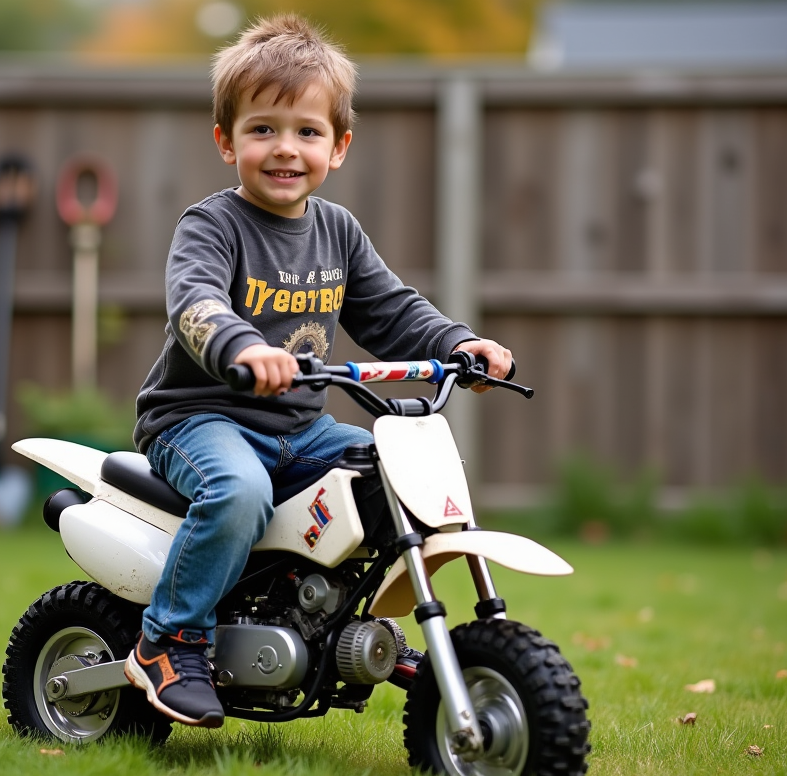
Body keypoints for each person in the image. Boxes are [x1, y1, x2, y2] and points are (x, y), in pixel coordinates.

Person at [123, 14, 513, 728]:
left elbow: (393, 310)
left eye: (307, 132)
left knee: (397, 479)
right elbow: (196, 305)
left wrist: (461, 343)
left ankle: (347, 628)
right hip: (199, 418)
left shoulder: (337, 231)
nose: (285, 149)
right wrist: (243, 349)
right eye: (263, 129)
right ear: (225, 141)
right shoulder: (211, 227)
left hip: (299, 429)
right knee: (238, 492)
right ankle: (168, 638)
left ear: (338, 148)